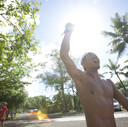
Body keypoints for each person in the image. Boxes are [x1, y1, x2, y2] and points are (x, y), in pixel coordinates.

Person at [60, 23, 128, 127]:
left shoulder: (108, 83)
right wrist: (68, 31)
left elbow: (126, 103)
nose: (96, 57)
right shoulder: (81, 78)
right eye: (92, 56)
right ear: (83, 63)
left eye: (97, 57)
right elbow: (64, 55)